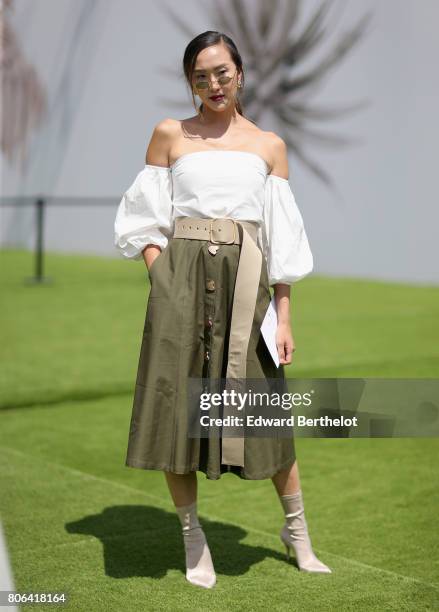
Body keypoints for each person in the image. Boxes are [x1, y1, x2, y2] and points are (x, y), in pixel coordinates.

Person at [114, 31, 332, 589]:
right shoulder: (169, 135)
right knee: (175, 411)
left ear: (240, 73)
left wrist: (283, 317)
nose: (213, 84)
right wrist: (162, 276)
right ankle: (192, 538)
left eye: (222, 73)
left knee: (263, 412)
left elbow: (282, 241)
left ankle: (298, 533)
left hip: (248, 283)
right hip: (180, 282)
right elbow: (144, 219)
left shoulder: (268, 145)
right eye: (201, 76)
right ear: (190, 82)